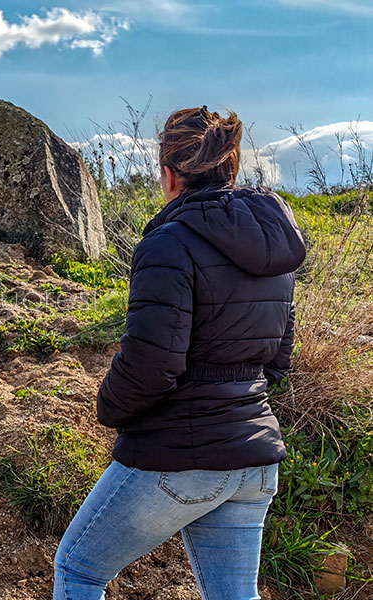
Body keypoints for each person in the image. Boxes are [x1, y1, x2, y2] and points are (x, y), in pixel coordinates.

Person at [53, 106, 307, 600]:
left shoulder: (169, 243)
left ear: (168, 174)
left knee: (79, 569)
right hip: (254, 459)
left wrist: (109, 409)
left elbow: (151, 364)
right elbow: (278, 358)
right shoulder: (276, 243)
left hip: (181, 455)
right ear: (230, 167)